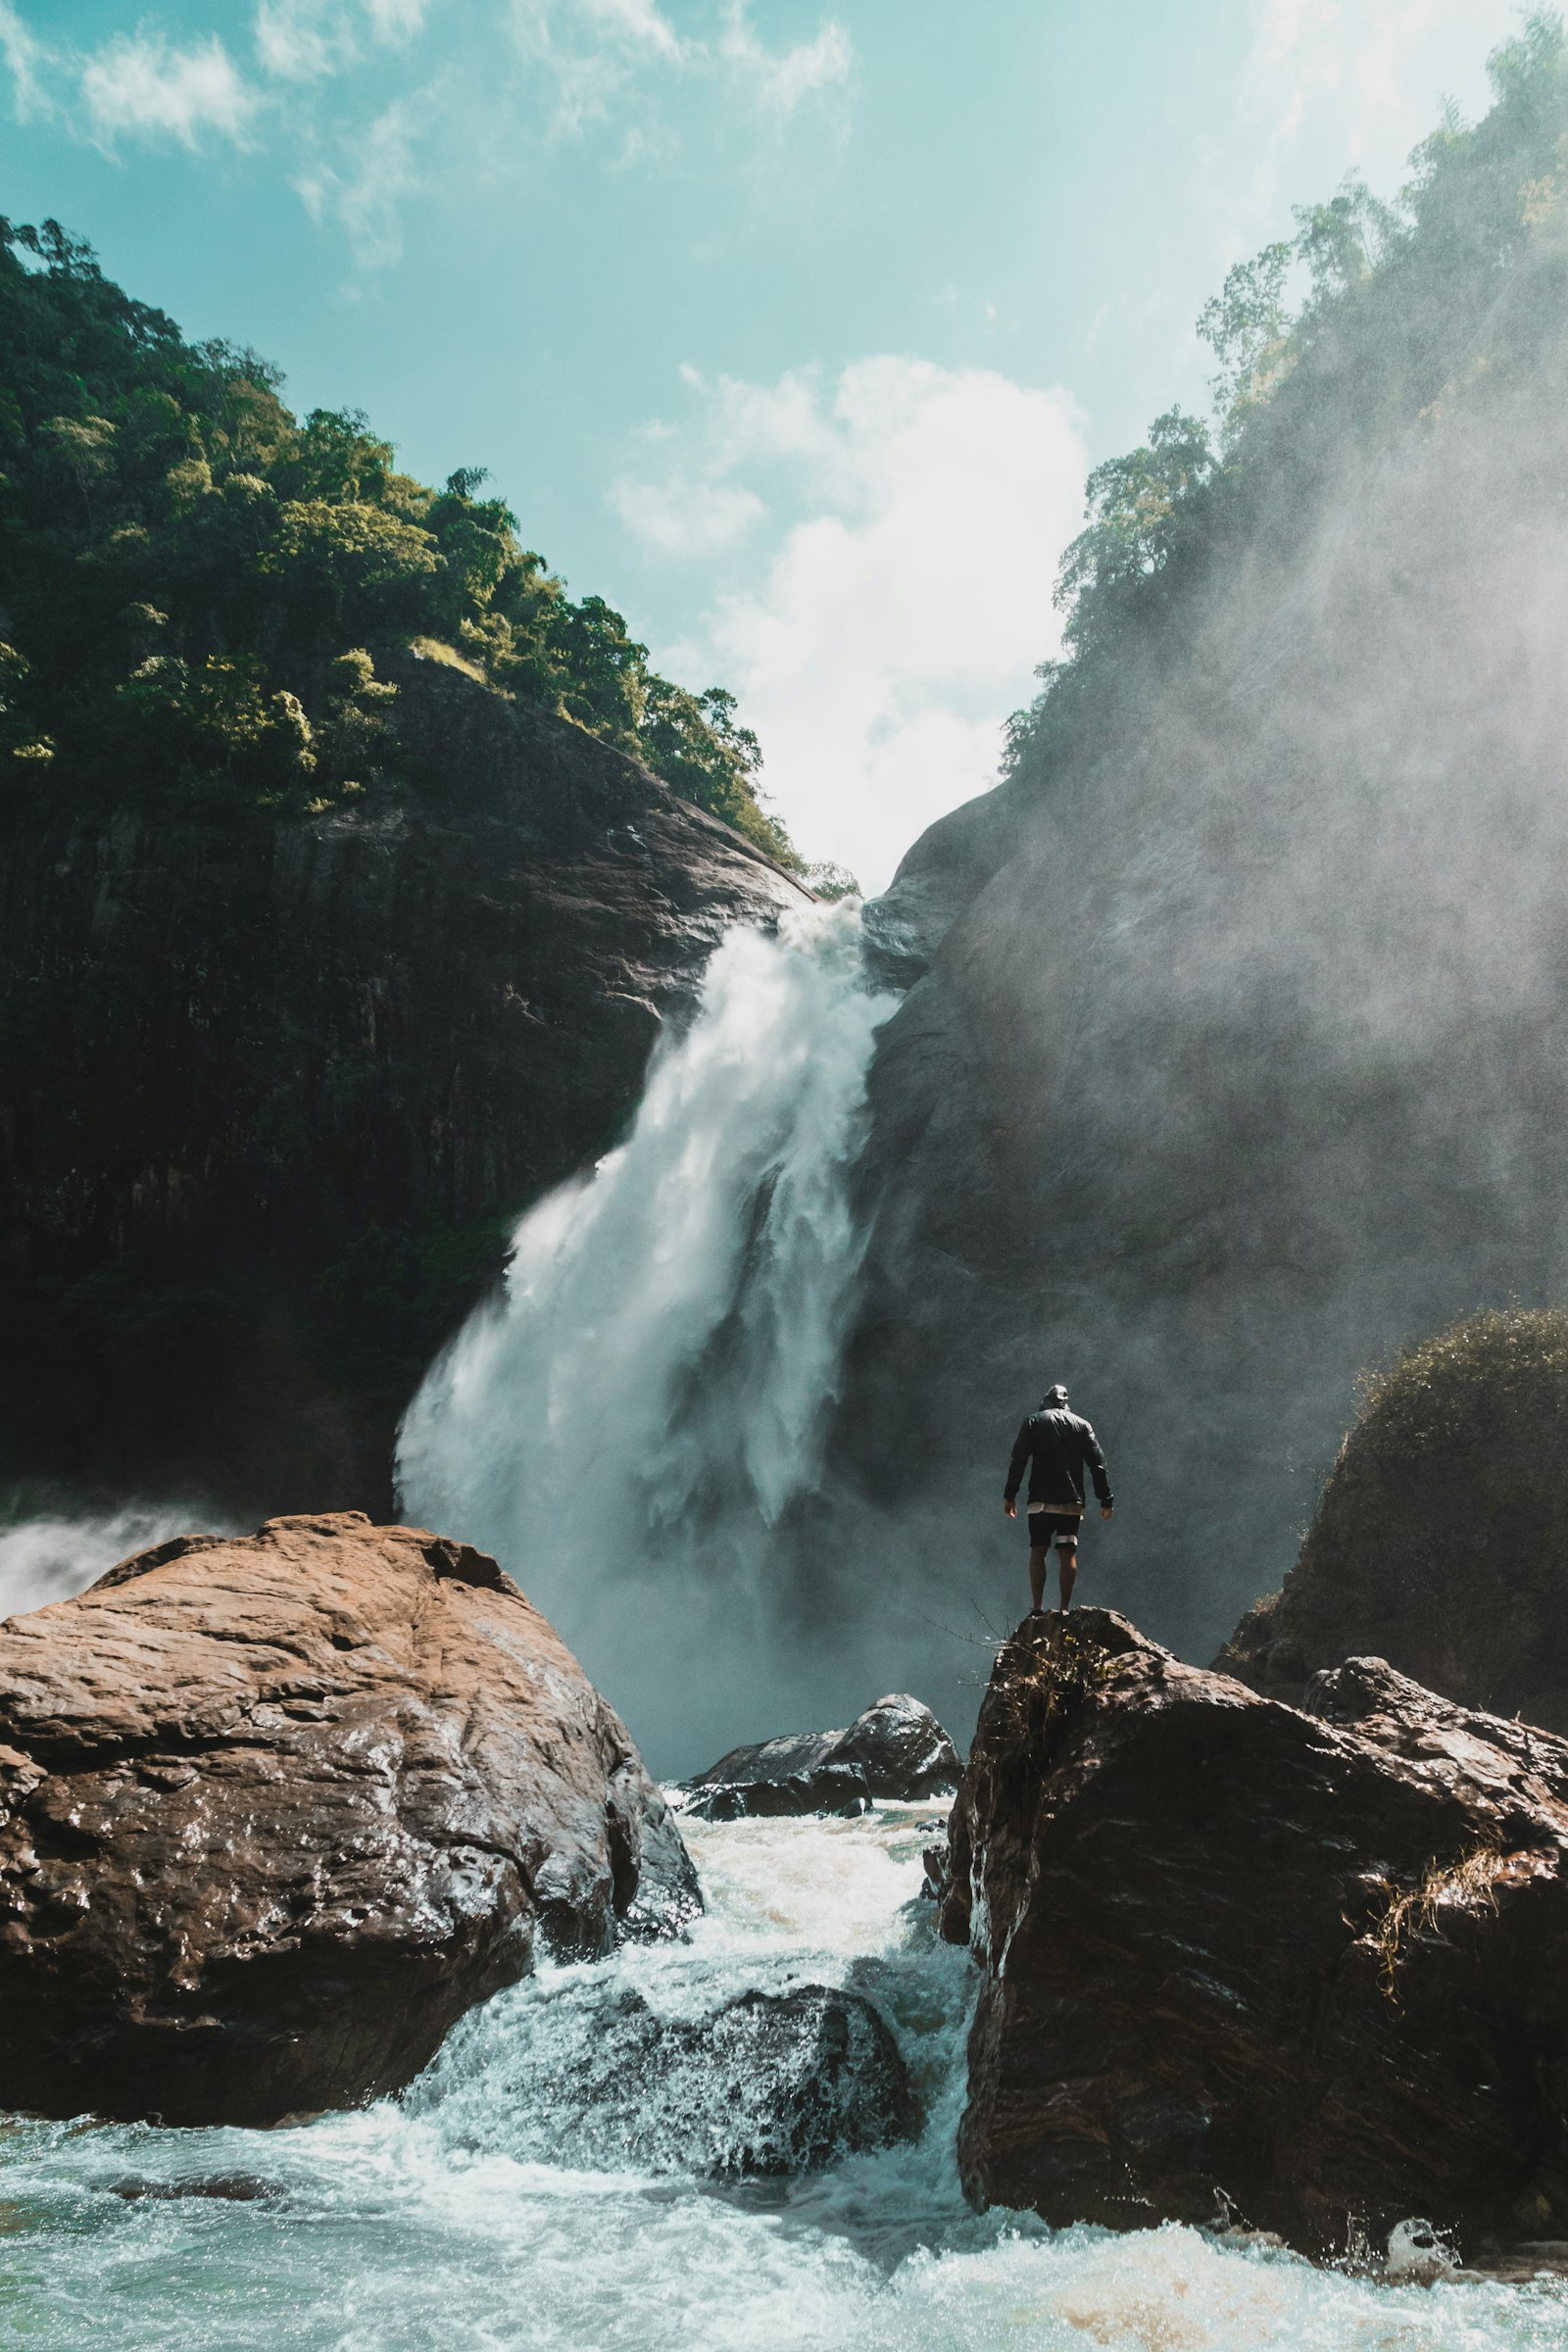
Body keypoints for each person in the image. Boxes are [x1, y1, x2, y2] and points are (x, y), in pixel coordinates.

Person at [1003, 1383, 1113, 1615]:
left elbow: (1019, 1460)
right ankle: (1064, 1610)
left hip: (1040, 1501)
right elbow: (1098, 1465)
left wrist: (1010, 1495)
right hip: (1071, 1502)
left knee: (1038, 1549)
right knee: (1067, 1551)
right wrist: (1105, 1499)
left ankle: (1038, 1608)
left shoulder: (1033, 1421)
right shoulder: (1082, 1426)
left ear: (1046, 1403)